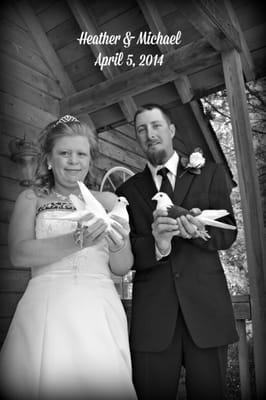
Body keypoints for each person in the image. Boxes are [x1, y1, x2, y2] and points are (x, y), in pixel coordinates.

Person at [0, 115, 137, 400]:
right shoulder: (31, 198)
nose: (73, 161)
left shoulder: (110, 202)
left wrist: (117, 243)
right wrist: (78, 240)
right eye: (64, 153)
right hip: (46, 307)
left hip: (99, 308)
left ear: (90, 160)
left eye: (81, 154)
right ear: (49, 159)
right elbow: (18, 253)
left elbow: (122, 266)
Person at [116, 104, 238, 400]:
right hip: (153, 319)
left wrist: (198, 233)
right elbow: (128, 252)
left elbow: (228, 233)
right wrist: (158, 246)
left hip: (206, 312)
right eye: (141, 129)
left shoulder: (210, 173)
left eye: (156, 125)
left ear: (171, 130)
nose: (150, 134)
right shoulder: (129, 191)